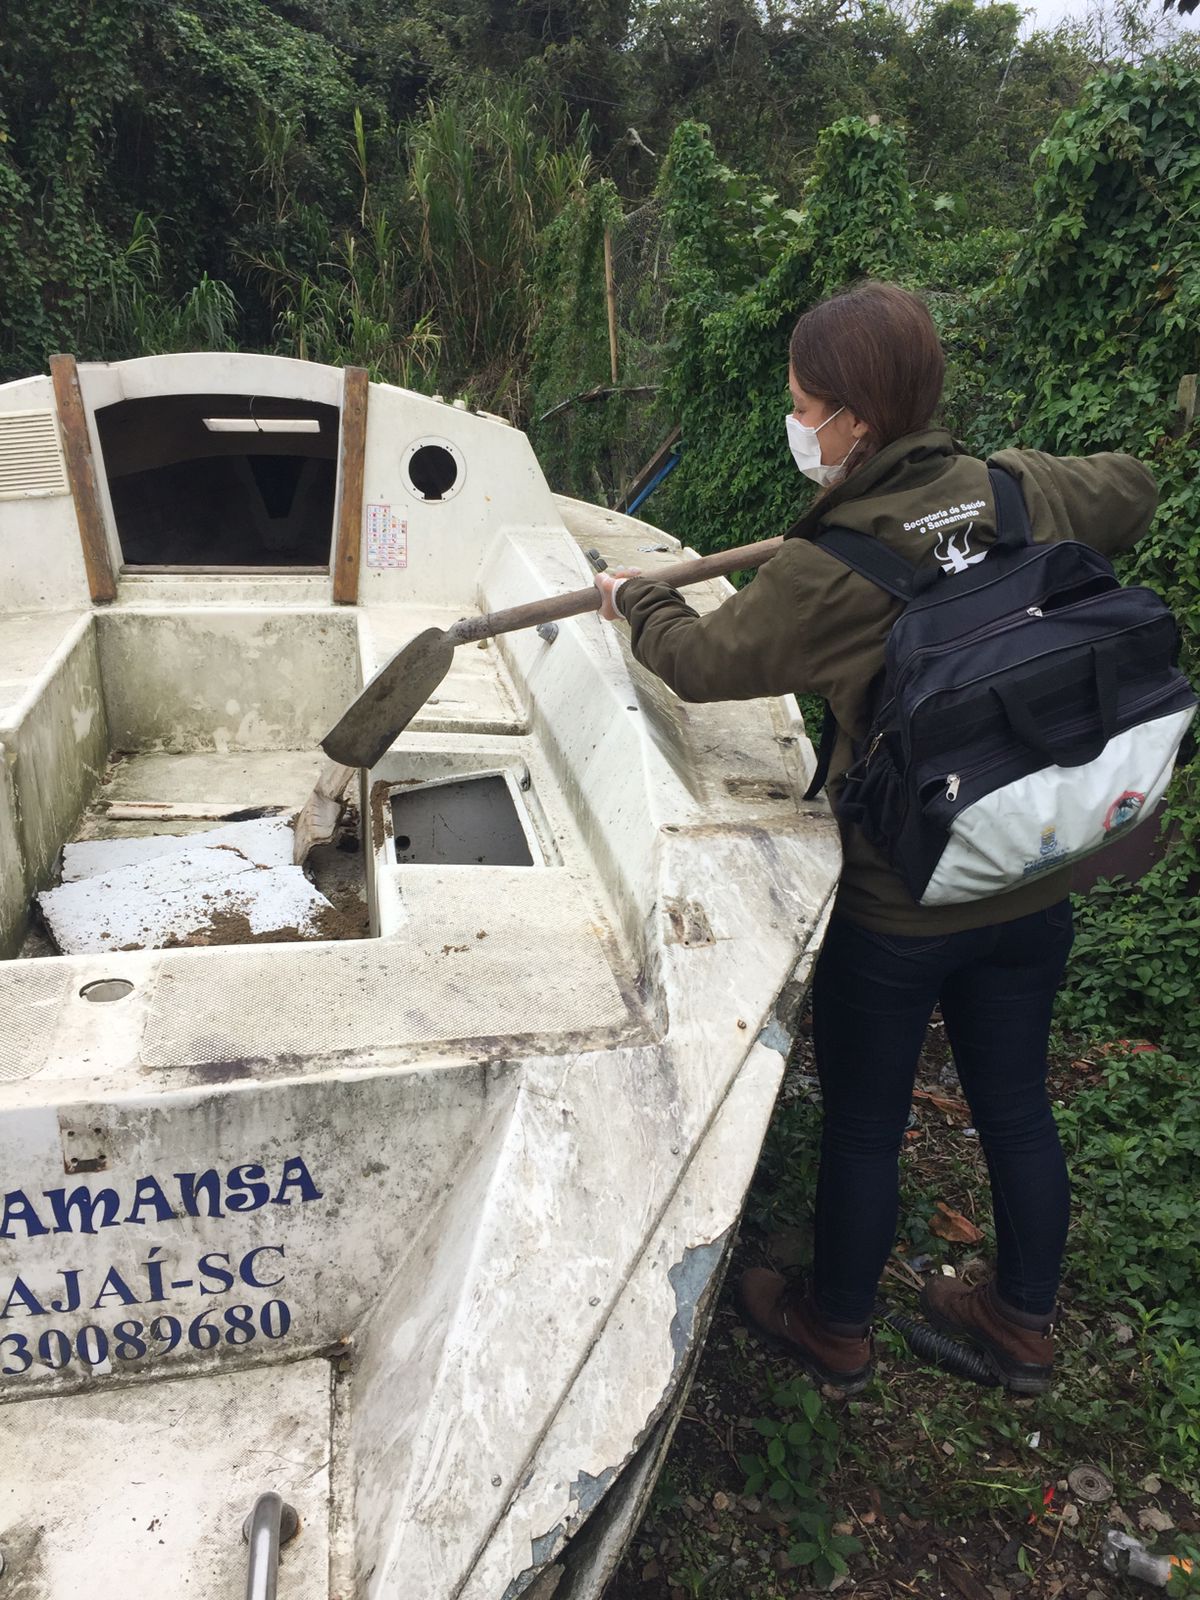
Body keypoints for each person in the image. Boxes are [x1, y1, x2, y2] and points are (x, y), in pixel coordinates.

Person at [593, 281, 1157, 1396]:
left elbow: (704, 666)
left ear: (854, 418)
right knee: (1016, 1104)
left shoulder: (828, 570)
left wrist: (635, 600)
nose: (798, 425)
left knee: (865, 1124)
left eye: (805, 406)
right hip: (1033, 873)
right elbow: (1131, 490)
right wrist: (987, 519)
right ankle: (1020, 1324)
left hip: (903, 901)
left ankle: (834, 1327)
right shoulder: (1021, 487)